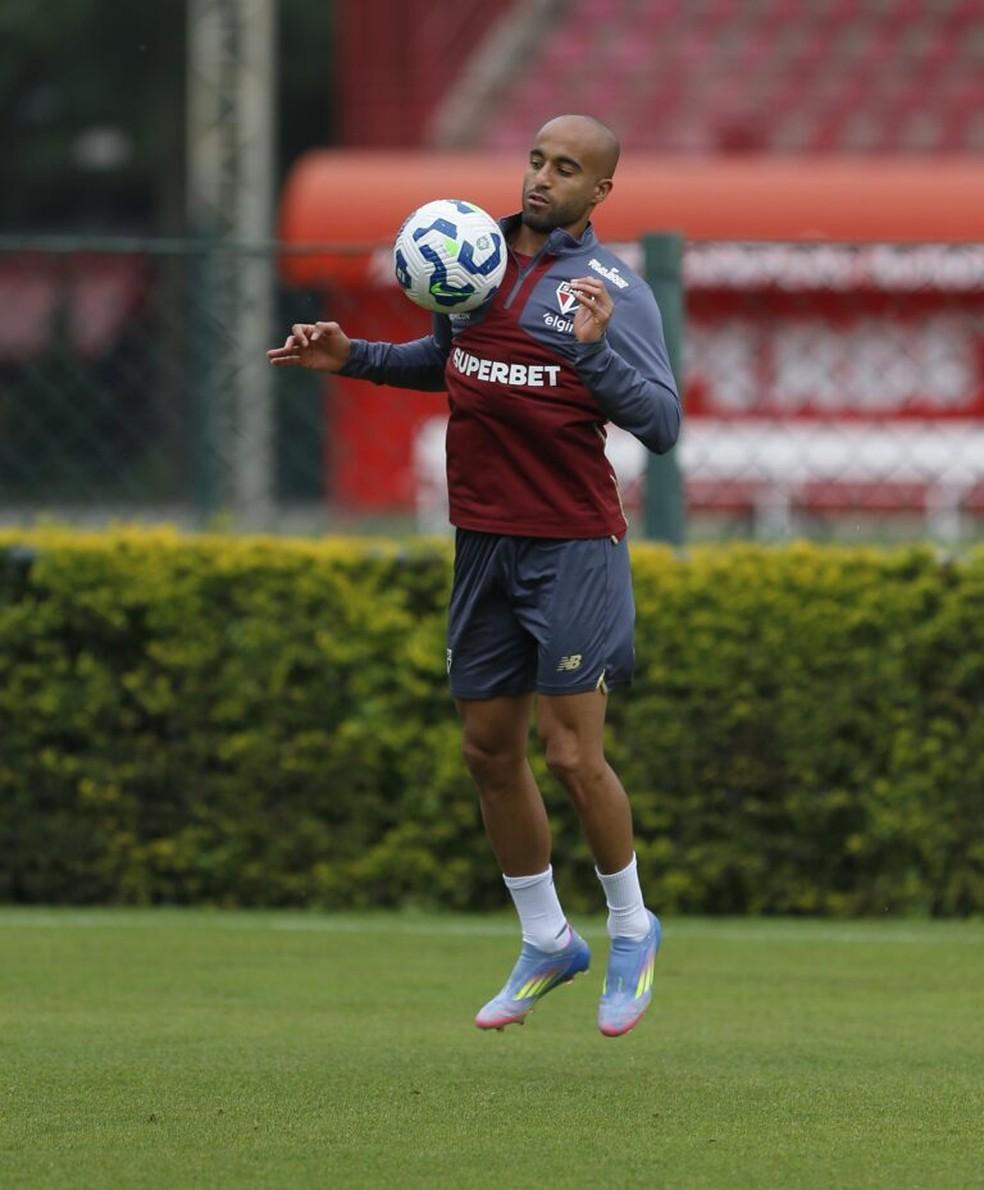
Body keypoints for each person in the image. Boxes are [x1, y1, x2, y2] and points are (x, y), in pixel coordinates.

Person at [268, 114, 681, 1037]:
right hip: (481, 541)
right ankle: (546, 939)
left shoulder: (614, 292)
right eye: (537, 160)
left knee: (572, 755)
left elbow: (661, 423)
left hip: (573, 544)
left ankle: (630, 926)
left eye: (567, 169)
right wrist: (355, 358)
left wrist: (597, 350)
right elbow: (455, 362)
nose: (543, 178)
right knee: (488, 751)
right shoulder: (472, 254)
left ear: (602, 191)